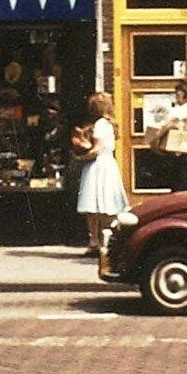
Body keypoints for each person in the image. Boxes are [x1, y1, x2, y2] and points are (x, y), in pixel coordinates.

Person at [75, 91, 131, 255]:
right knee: (108, 203)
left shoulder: (99, 124)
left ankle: (94, 241)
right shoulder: (109, 124)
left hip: (97, 165)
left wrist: (81, 157)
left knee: (93, 204)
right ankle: (108, 239)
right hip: (109, 163)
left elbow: (97, 149)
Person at [155, 79, 187, 191]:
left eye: (178, 94)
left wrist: (157, 135)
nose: (176, 98)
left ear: (186, 94)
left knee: (180, 193)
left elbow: (169, 120)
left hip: (186, 159)